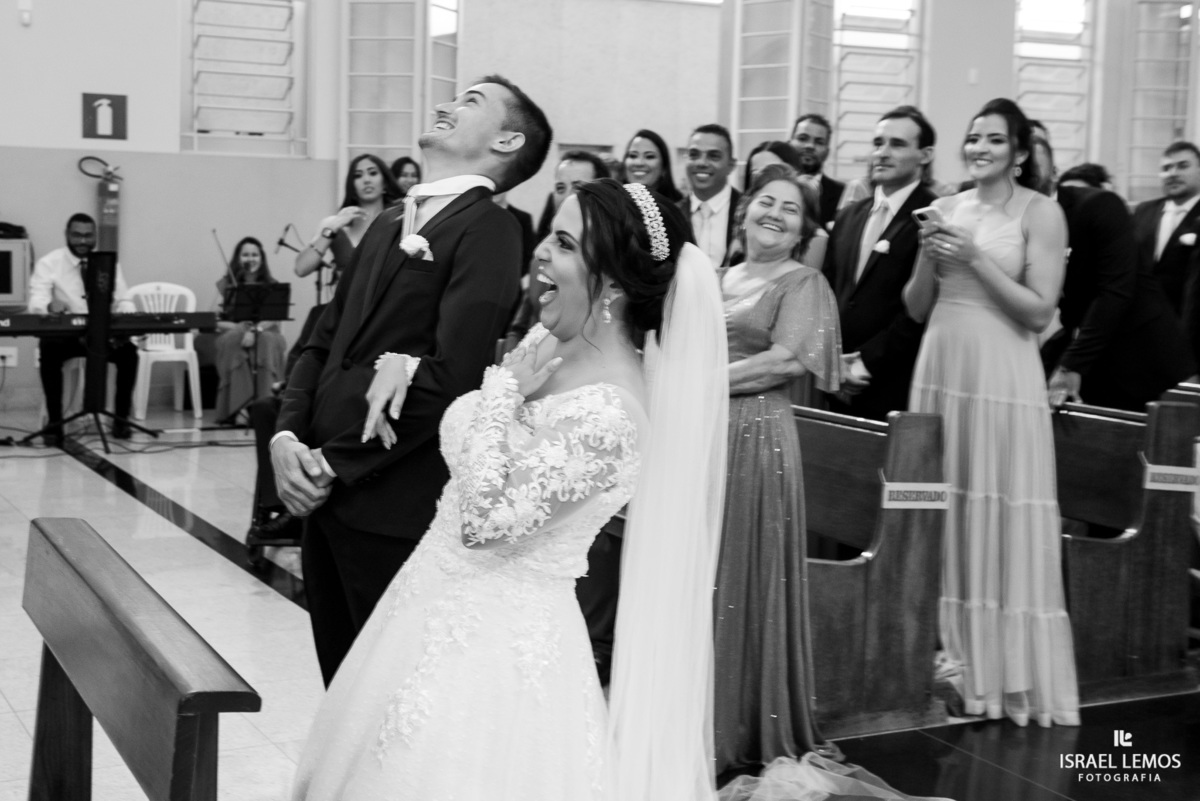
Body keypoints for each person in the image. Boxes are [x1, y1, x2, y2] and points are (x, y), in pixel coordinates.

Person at [291, 179, 731, 800]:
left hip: (496, 655)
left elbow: (487, 520)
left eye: (564, 242)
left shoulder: (615, 415)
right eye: (549, 234)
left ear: (612, 285)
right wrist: (411, 365)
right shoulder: (548, 341)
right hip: (426, 604)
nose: (540, 253)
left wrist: (500, 397)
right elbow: (483, 417)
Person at [271, 75, 552, 686]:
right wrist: (287, 439)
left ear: (507, 140)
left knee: (384, 696)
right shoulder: (388, 220)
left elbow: (454, 376)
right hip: (323, 500)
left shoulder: (491, 231)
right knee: (339, 684)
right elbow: (325, 340)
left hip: (389, 499)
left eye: (470, 101)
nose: (446, 105)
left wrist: (331, 463)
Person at [902, 98, 1080, 728]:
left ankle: (1003, 672)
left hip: (1003, 372)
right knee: (945, 506)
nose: (979, 148)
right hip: (943, 363)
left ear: (1020, 152)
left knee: (996, 502)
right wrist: (929, 250)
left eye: (994, 140)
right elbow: (917, 308)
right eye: (972, 137)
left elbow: (1038, 312)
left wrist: (974, 256)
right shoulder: (946, 207)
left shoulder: (1042, 213)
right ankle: (946, 657)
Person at [713, 162, 843, 774]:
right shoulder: (715, 277)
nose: (774, 213)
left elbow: (783, 362)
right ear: (744, 211)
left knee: (745, 568)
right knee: (707, 571)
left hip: (758, 434)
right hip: (705, 436)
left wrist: (695, 381)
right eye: (766, 201)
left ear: (802, 231)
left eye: (790, 208)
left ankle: (743, 721)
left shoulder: (805, 283)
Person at [1030, 138, 1196, 411]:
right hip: (1091, 357)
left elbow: (1116, 291)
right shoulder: (1017, 220)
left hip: (1142, 355)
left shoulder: (1098, 205)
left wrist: (1071, 363)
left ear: (1054, 171)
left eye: (1032, 161)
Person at [823, 105, 938, 421]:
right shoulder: (848, 216)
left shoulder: (932, 216)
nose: (882, 153)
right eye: (878, 143)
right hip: (834, 380)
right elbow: (827, 293)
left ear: (925, 155)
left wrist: (865, 363)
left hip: (894, 382)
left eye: (897, 144)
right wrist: (831, 361)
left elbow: (920, 311)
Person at [28, 212, 138, 444]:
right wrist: (49, 304)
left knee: (129, 354)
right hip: (66, 336)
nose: (82, 241)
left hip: (101, 334)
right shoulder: (49, 263)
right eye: (77, 235)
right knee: (48, 353)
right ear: (67, 235)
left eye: (88, 236)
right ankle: (55, 423)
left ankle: (121, 420)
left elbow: (124, 298)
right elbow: (35, 302)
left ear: (95, 236)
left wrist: (126, 315)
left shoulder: (108, 263)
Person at [1132, 141, 1200, 360]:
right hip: (1142, 333)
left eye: (1182, 166)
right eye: (1166, 168)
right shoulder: (1143, 211)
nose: (1173, 173)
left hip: (1190, 333)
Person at [294, 154, 403, 289]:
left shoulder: (399, 220)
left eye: (373, 173)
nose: (366, 180)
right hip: (346, 307)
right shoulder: (333, 223)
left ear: (385, 182)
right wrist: (332, 229)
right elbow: (301, 269)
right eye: (358, 175)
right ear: (352, 185)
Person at [214, 237, 288, 423]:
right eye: (245, 255)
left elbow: (274, 318)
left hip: (266, 332)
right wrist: (241, 328)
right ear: (238, 259)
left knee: (266, 341)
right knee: (232, 340)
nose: (250, 259)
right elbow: (215, 319)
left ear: (261, 259)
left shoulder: (272, 284)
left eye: (254, 254)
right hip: (235, 331)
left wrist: (255, 329)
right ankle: (240, 408)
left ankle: (264, 406)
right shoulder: (226, 285)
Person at [682, 123, 740, 268]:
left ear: (731, 165)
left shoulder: (748, 210)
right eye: (694, 155)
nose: (702, 162)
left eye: (713, 156)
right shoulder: (671, 214)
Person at [790, 113, 845, 229]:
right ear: (790, 143)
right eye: (802, 138)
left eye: (819, 142)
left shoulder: (842, 195)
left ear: (827, 152)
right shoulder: (773, 186)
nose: (810, 146)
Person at [623, 128, 684, 203]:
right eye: (633, 156)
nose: (639, 163)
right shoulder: (610, 204)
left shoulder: (680, 209)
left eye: (649, 156)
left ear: (664, 168)